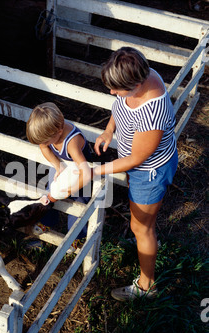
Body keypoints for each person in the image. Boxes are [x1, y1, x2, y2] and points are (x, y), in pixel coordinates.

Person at [93, 47, 178, 301]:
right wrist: (109, 131)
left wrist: (95, 170)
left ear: (137, 84)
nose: (112, 92)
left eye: (117, 88)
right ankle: (146, 238)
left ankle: (146, 287)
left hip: (149, 170)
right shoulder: (141, 74)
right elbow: (120, 105)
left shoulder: (152, 112)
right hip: (136, 165)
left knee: (141, 227)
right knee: (141, 223)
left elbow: (137, 158)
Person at [26, 102, 92, 252]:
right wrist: (57, 165)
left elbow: (86, 172)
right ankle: (47, 221)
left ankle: (76, 237)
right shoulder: (51, 134)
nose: (44, 144)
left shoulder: (72, 143)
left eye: (47, 141)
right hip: (64, 168)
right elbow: (43, 147)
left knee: (79, 203)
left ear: (59, 131)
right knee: (50, 193)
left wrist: (71, 189)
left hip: (81, 174)